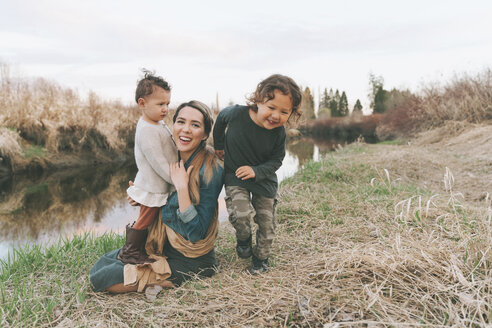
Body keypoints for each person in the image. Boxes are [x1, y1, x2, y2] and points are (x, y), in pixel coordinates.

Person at [90, 100, 224, 293]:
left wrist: (182, 188)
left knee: (103, 279)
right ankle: (153, 272)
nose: (185, 129)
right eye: (180, 122)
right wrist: (143, 198)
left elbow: (197, 233)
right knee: (103, 264)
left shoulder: (211, 170)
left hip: (190, 259)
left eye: (195, 125)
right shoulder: (171, 158)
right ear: (173, 125)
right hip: (163, 246)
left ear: (204, 134)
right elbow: (163, 202)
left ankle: (164, 281)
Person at [213, 74, 302, 274]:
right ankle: (243, 237)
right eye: (271, 108)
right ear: (258, 100)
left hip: (264, 181)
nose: (276, 116)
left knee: (266, 223)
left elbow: (276, 160)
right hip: (236, 175)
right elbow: (220, 120)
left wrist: (256, 171)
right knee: (240, 214)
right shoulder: (235, 114)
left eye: (284, 112)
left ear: (291, 113)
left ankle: (261, 259)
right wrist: (219, 145)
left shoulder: (278, 133)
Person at [119, 71, 178, 264]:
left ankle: (145, 247)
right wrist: (175, 179)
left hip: (158, 184)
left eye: (167, 104)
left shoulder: (156, 123)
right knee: (146, 218)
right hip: (153, 185)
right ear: (142, 104)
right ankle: (130, 251)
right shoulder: (147, 130)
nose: (165, 109)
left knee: (151, 218)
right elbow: (158, 162)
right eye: (160, 104)